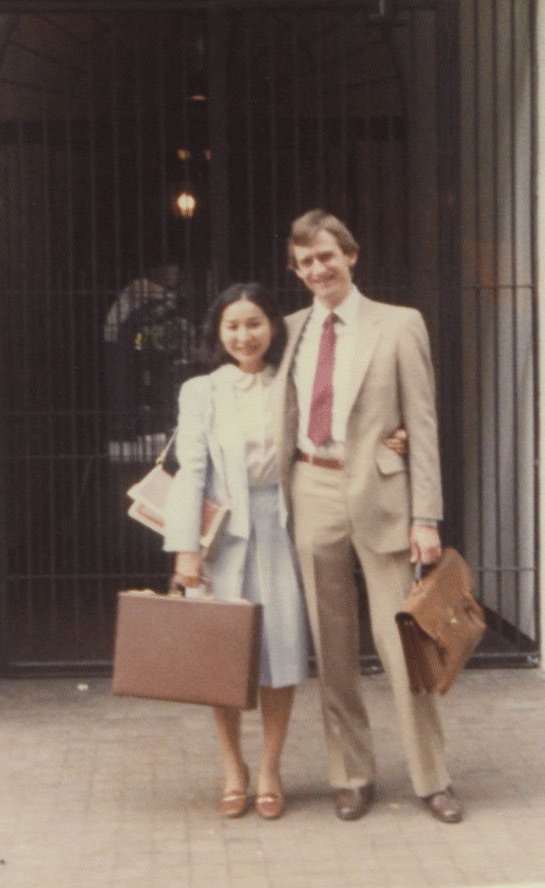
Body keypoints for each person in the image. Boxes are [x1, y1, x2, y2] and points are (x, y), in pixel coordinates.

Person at [162, 282, 408, 821]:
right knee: (218, 658)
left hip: (281, 529)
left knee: (281, 655)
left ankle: (270, 768)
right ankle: (233, 768)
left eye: (254, 323)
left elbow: (343, 422)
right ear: (218, 332)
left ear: (272, 328)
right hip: (222, 537)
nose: (244, 335)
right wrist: (186, 551)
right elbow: (190, 473)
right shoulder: (201, 391)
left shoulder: (290, 382)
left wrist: (392, 439)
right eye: (233, 325)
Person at [272, 209, 462, 824]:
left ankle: (431, 779)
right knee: (332, 648)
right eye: (305, 262)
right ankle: (351, 775)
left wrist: (425, 514)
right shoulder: (291, 328)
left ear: (351, 255)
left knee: (402, 642)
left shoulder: (399, 324)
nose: (317, 269)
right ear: (296, 271)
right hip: (312, 488)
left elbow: (423, 425)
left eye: (326, 256)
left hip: (382, 497)